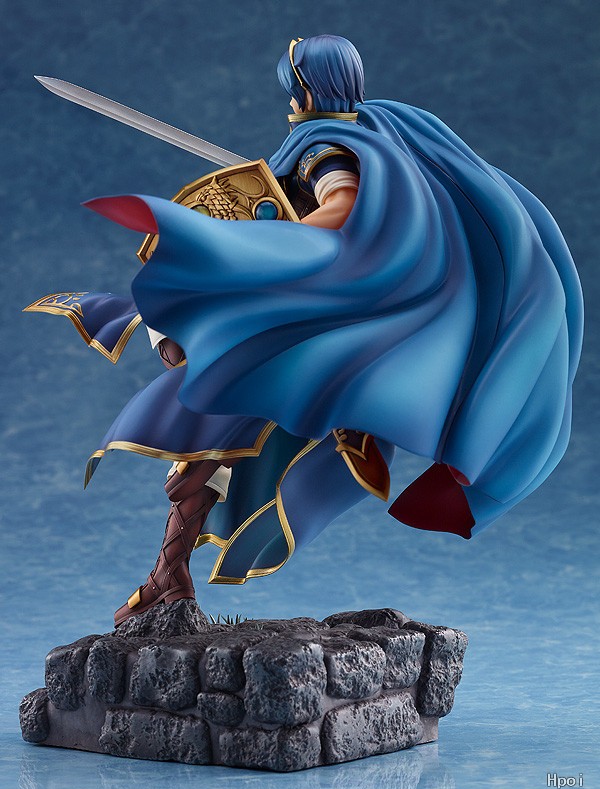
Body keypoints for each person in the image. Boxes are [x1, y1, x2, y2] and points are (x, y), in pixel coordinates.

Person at [29, 35, 583, 626]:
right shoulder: (383, 129)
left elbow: (341, 207)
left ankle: (171, 571)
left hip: (314, 322)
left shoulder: (327, 146)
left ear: (309, 91)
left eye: (293, 88)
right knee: (222, 437)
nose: (291, 100)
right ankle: (170, 573)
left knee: (211, 420)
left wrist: (256, 245)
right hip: (320, 320)